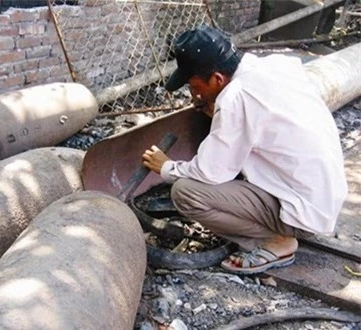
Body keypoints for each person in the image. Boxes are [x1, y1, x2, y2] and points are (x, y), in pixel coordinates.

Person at [141, 24, 348, 275]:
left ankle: (273, 241)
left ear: (217, 79)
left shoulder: (235, 98)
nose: (193, 94)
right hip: (324, 196)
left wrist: (166, 167)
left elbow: (209, 172)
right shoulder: (273, 66)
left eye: (195, 87)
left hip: (302, 211)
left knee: (186, 192)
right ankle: (278, 228)